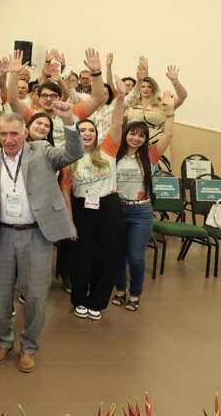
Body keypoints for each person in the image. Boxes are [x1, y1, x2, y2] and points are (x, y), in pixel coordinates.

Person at [0, 101, 82, 374]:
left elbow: (73, 152)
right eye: (3, 134)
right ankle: (3, 341)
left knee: (35, 296)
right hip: (1, 237)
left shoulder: (42, 152)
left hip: (36, 236)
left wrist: (69, 121)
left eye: (14, 134)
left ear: (25, 133)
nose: (9, 140)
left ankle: (29, 346)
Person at [105, 93, 177, 312]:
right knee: (117, 254)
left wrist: (170, 111)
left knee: (136, 257)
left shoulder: (151, 157)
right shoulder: (113, 154)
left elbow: (168, 134)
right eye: (133, 134)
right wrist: (120, 100)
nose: (136, 139)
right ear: (127, 135)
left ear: (145, 140)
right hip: (117, 210)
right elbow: (116, 123)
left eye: (141, 136)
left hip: (140, 213)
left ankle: (135, 294)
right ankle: (119, 290)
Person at [61, 104, 128, 320]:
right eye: (82, 131)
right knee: (82, 256)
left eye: (91, 130)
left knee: (106, 256)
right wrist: (70, 223)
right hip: (82, 210)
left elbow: (118, 123)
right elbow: (65, 194)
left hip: (109, 207)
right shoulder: (69, 159)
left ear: (97, 134)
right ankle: (80, 299)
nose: (87, 133)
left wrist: (121, 97)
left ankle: (98, 302)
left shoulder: (108, 149)